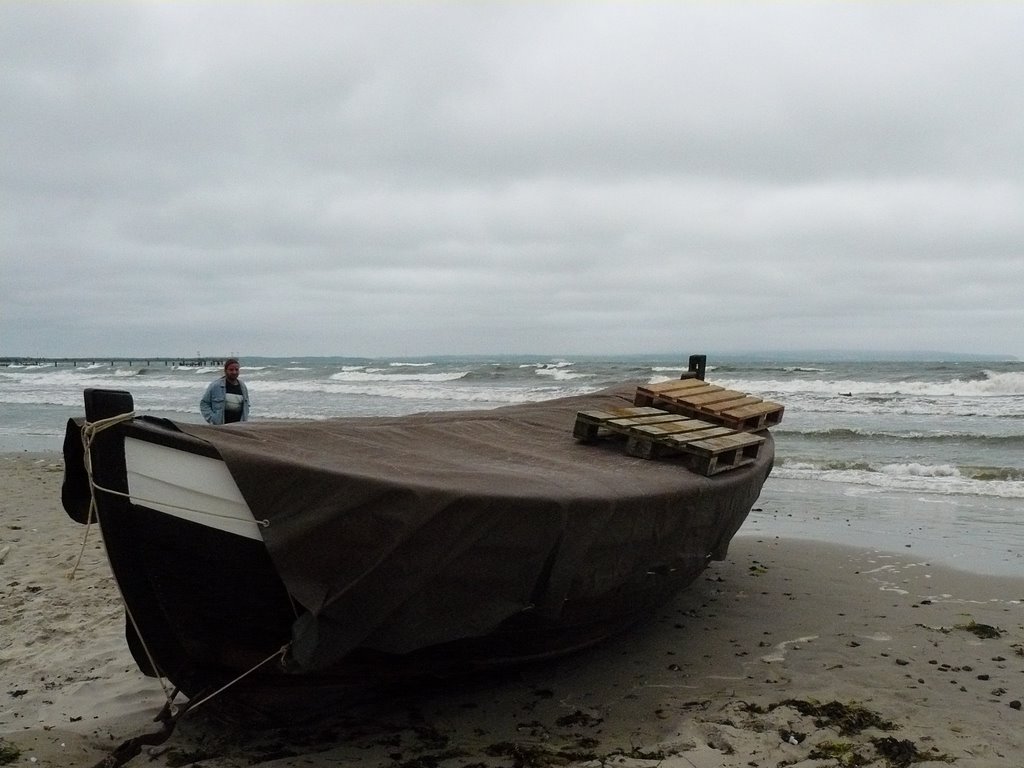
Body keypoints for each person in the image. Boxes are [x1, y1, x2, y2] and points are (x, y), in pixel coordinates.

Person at [200, 358, 250, 424]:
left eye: (236, 370)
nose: (234, 372)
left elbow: (247, 405)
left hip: (239, 427)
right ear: (225, 371)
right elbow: (204, 403)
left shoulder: (242, 386)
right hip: (221, 427)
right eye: (231, 370)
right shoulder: (215, 386)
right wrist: (212, 419)